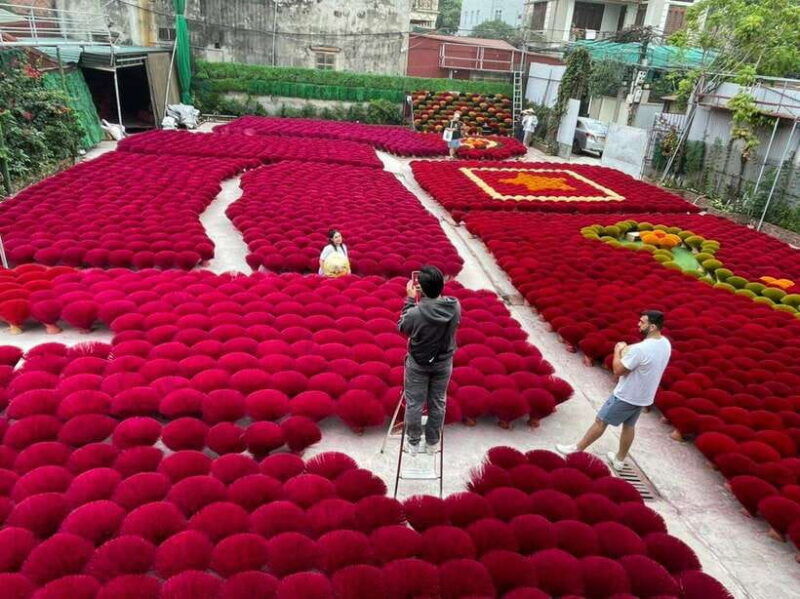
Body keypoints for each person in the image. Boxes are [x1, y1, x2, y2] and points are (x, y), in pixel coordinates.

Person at [556, 310, 671, 470]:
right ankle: (619, 460)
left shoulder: (641, 349)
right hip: (644, 396)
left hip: (627, 395)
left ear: (651, 326)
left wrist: (618, 350)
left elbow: (617, 370)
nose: (638, 324)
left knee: (601, 421)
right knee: (629, 426)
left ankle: (576, 449)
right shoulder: (665, 343)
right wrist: (627, 350)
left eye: (642, 322)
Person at [398, 266, 461, 455]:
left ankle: (414, 442)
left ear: (421, 289)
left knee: (415, 403)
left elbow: (402, 327)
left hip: (418, 363)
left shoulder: (415, 313)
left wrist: (410, 299)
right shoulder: (455, 306)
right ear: (442, 286)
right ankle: (433, 442)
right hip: (443, 362)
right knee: (438, 402)